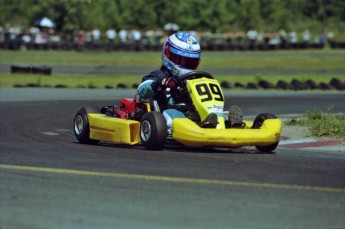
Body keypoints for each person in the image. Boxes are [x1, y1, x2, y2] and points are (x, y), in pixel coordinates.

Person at [137, 32, 243, 132]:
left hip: (194, 112)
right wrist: (158, 84)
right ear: (168, 54)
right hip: (169, 114)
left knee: (211, 114)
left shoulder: (195, 78)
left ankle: (227, 124)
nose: (187, 65)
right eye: (182, 60)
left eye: (191, 62)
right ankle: (200, 128)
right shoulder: (158, 76)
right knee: (172, 114)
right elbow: (142, 89)